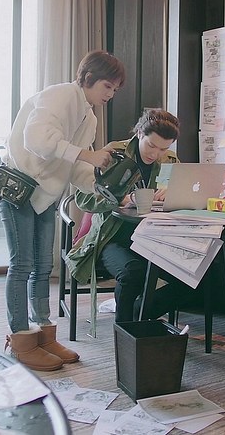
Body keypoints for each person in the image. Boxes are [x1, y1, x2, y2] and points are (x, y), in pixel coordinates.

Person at [0, 50, 125, 372]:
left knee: (43, 266)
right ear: (89, 78)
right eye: (107, 86)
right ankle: (21, 339)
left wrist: (105, 189)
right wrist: (87, 155)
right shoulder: (61, 94)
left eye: (114, 89)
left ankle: (44, 334)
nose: (110, 94)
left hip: (44, 195)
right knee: (22, 265)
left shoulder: (89, 118)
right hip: (18, 188)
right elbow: (36, 139)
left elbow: (76, 169)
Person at [65, 109, 195, 323]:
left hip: (152, 238)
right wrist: (119, 199)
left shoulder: (170, 160)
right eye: (151, 145)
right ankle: (125, 330)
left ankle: (136, 314)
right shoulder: (114, 154)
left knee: (191, 276)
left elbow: (184, 196)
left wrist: (173, 194)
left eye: (163, 148)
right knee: (133, 273)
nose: (155, 154)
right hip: (111, 237)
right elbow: (83, 199)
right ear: (140, 133)